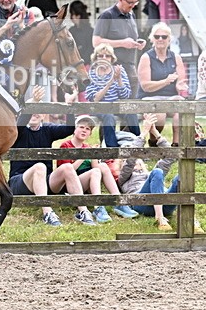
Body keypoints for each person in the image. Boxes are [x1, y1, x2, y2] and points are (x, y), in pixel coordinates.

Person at [8, 86, 96, 226]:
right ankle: (47, 213)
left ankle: (83, 211)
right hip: (20, 181)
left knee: (67, 167)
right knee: (40, 167)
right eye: (32, 112)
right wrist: (33, 103)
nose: (35, 115)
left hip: (45, 183)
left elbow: (68, 129)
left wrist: (69, 107)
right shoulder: (19, 130)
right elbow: (21, 123)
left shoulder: (48, 129)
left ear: (44, 115)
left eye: (39, 112)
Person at [112, 114, 203, 233]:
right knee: (157, 172)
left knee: (182, 177)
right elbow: (131, 157)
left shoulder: (150, 173)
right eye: (124, 159)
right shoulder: (124, 176)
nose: (134, 161)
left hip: (166, 204)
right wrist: (144, 133)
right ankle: (159, 218)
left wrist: (155, 132)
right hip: (142, 204)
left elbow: (170, 156)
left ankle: (191, 219)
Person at [56, 115, 139, 222]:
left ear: (90, 134)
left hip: (86, 182)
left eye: (88, 129)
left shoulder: (87, 147)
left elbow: (96, 169)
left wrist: (93, 154)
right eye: (81, 127)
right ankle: (98, 207)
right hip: (71, 184)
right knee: (95, 171)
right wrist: (83, 156)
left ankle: (118, 202)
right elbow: (67, 171)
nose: (84, 130)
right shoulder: (66, 145)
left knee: (103, 166)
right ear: (74, 129)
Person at [137, 22, 188, 146]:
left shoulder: (176, 57)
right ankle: (153, 142)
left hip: (170, 98)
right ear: (152, 39)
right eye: (157, 36)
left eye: (164, 37)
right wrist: (165, 81)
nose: (160, 39)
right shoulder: (146, 57)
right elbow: (145, 86)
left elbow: (180, 82)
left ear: (169, 39)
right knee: (160, 116)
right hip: (149, 97)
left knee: (183, 108)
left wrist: (179, 86)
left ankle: (176, 144)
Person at [92, 0, 146, 94]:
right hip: (110, 69)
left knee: (131, 105)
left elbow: (129, 39)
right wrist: (122, 43)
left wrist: (138, 43)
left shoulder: (132, 15)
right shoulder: (107, 15)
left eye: (135, 2)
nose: (133, 6)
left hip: (130, 68)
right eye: (130, 2)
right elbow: (96, 42)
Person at [85, 43, 139, 147]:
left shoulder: (119, 70)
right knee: (108, 116)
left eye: (107, 56)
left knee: (131, 113)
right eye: (100, 56)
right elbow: (95, 99)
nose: (104, 58)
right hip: (99, 107)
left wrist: (119, 80)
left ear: (111, 58)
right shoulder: (92, 73)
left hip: (116, 105)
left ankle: (137, 145)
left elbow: (125, 95)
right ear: (96, 58)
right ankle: (112, 149)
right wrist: (110, 83)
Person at [68, 0, 94, 65]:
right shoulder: (71, 31)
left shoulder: (90, 32)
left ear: (78, 15)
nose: (71, 17)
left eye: (72, 14)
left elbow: (90, 50)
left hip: (86, 65)